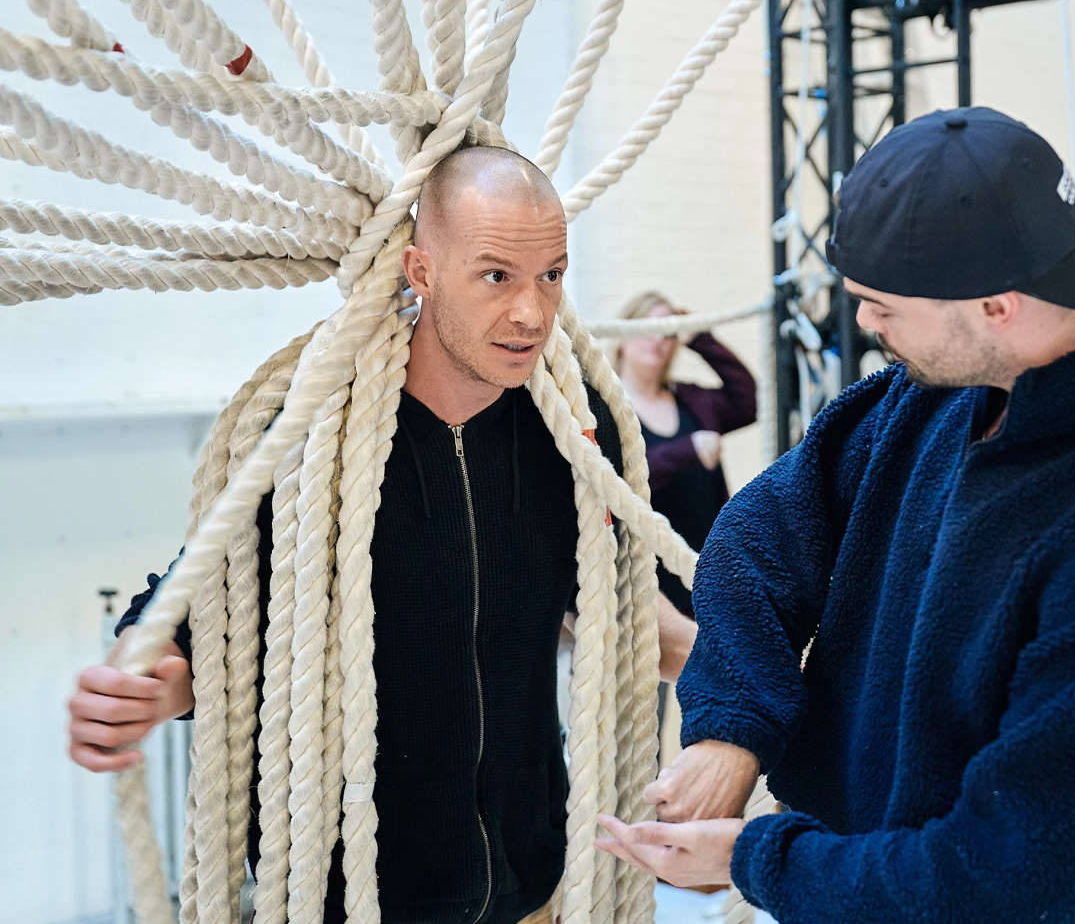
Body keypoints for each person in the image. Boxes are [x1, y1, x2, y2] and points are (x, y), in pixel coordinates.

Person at [594, 106, 1075, 923]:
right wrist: (733, 729)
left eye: (880, 303)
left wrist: (756, 858)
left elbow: (1005, 886)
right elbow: (761, 537)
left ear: (998, 304)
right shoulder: (940, 394)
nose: (864, 325)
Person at [66, 145, 693, 924]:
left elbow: (630, 615)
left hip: (535, 893)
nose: (532, 312)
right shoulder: (315, 434)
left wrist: (760, 686)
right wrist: (144, 685)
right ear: (420, 273)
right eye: (497, 275)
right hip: (353, 900)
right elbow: (201, 616)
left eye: (552, 276)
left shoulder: (566, 430)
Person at [614, 291, 757, 616]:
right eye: (647, 328)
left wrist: (700, 337)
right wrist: (687, 449)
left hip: (707, 563)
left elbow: (745, 400)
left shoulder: (691, 399)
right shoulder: (605, 408)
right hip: (647, 573)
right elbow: (622, 474)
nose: (658, 340)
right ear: (622, 335)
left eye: (667, 331)